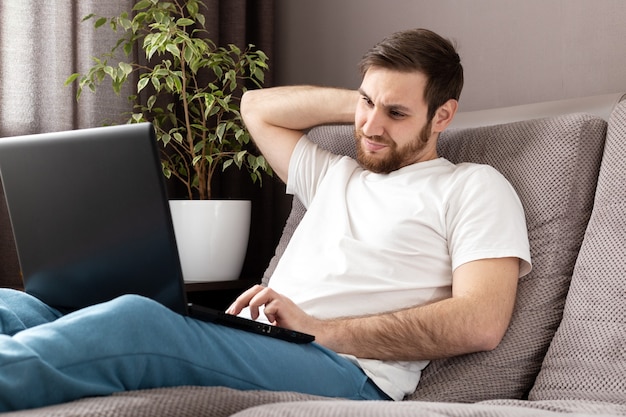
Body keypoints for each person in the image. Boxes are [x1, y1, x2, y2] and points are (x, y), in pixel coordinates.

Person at [0, 28, 531, 411]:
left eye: (396, 114)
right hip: (257, 340)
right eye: (365, 104)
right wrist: (378, 98)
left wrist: (322, 332)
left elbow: (480, 322)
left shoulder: (473, 187)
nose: (370, 126)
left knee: (139, 321)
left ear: (443, 114)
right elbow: (256, 107)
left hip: (345, 371)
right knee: (15, 304)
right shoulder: (336, 175)